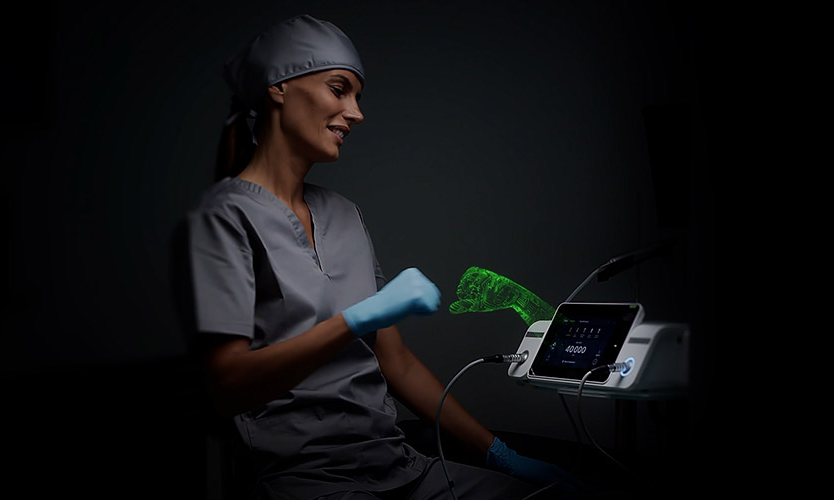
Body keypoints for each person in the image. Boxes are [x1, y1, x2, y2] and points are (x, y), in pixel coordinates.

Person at [186, 14, 575, 500]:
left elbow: (398, 364)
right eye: (339, 89)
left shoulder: (344, 215)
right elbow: (226, 385)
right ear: (278, 87)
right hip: (303, 480)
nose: (356, 113)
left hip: (398, 466)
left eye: (358, 97)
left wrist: (502, 455)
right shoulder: (223, 217)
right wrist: (358, 317)